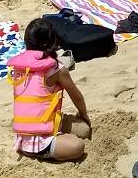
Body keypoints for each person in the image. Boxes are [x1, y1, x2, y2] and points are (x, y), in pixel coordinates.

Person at [13, 18, 92, 160]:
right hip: (41, 144)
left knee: (82, 130)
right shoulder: (57, 69)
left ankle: (55, 136)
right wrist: (83, 114)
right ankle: (50, 147)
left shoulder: (19, 68)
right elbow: (77, 97)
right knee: (78, 145)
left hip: (22, 137)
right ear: (54, 43)